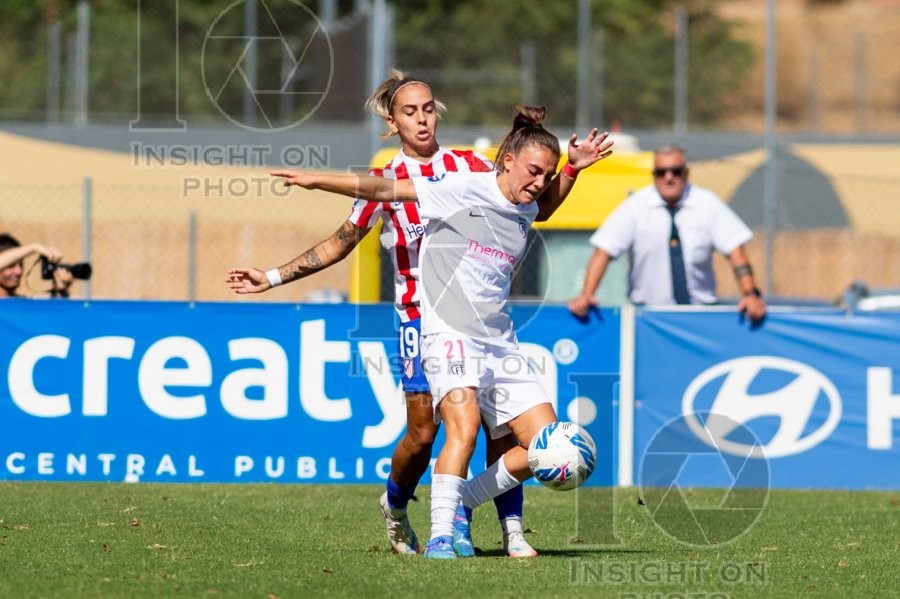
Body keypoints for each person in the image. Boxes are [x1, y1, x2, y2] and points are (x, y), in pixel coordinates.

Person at [227, 71, 612, 558]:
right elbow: (342, 242)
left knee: (504, 434)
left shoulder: (472, 168)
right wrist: (276, 273)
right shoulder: (393, 178)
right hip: (425, 318)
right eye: (410, 111)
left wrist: (569, 171)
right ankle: (412, 512)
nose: (423, 118)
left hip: (491, 327)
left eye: (428, 108)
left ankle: (493, 524)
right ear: (394, 121)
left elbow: (536, 204)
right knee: (430, 431)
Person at [568, 144, 767, 322]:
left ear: (686, 174)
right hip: (647, 316)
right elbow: (603, 251)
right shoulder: (636, 206)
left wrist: (751, 295)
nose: (669, 177)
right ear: (653, 175)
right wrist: (586, 294)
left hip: (701, 314)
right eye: (662, 172)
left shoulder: (707, 203)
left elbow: (736, 252)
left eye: (676, 171)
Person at [0, 233, 74, 298]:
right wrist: (34, 248)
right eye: (10, 266)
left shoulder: (23, 304)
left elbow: (56, 313)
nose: (19, 271)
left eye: (21, 265)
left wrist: (61, 290)